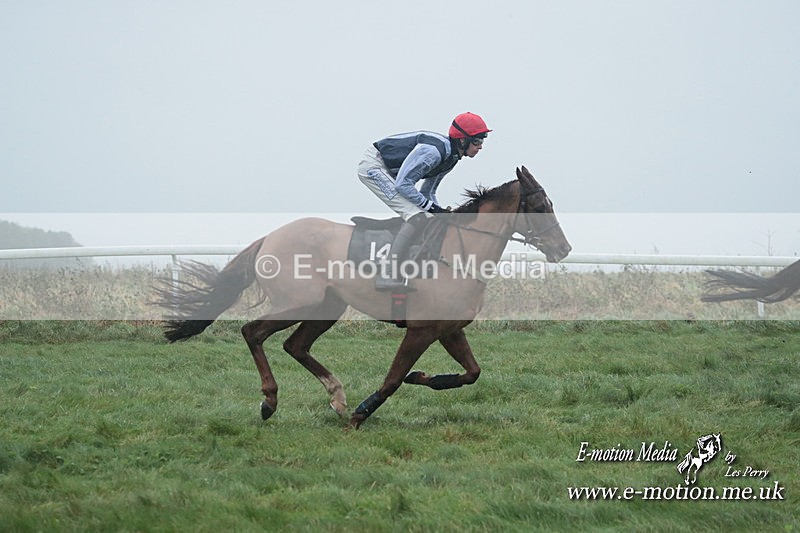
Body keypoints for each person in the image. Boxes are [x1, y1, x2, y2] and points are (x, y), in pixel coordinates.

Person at [358, 112, 491, 291]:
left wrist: (442, 212)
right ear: (462, 140)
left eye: (483, 140)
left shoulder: (452, 157)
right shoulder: (434, 153)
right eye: (477, 141)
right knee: (417, 216)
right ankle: (386, 275)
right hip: (373, 167)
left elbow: (428, 192)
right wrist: (433, 209)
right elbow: (403, 185)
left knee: (428, 214)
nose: (481, 146)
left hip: (392, 173)